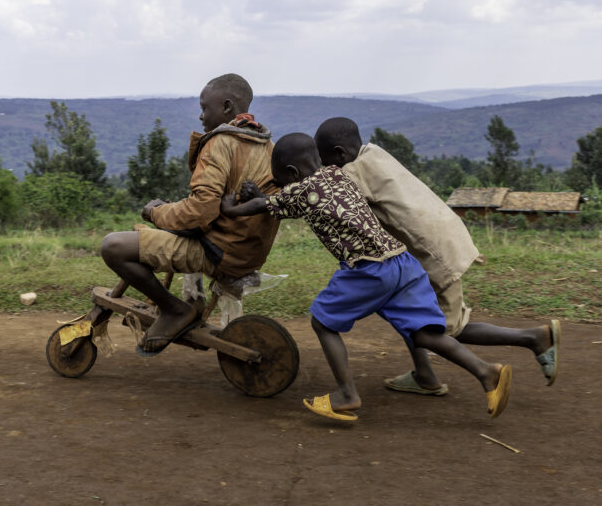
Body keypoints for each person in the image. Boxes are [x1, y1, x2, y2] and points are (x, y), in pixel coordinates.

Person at [222, 133, 512, 421]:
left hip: (369, 269)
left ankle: (347, 394)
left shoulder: (301, 190)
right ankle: (487, 372)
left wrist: (230, 209)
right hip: (402, 262)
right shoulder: (337, 175)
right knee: (424, 333)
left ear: (293, 174)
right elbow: (282, 203)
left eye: (283, 181)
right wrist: (265, 197)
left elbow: (265, 206)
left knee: (322, 321)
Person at [313, 117, 560, 394]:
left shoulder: (353, 172)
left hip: (435, 254)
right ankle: (425, 375)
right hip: (444, 238)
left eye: (326, 162)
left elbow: (323, 196)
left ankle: (533, 338)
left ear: (340, 154)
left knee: (441, 331)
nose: (327, 169)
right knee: (406, 310)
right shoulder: (373, 152)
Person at [100, 74, 279, 356]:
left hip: (219, 250)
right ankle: (181, 306)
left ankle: (174, 310)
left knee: (113, 246)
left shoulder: (221, 143)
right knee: (155, 231)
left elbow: (200, 211)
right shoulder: (267, 146)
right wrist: (172, 211)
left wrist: (156, 212)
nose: (200, 116)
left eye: (205, 107)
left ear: (228, 107)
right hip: (246, 249)